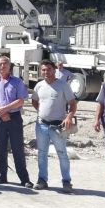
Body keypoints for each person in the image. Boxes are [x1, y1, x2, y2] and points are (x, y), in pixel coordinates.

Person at [0, 56, 33, 188]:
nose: (2, 66)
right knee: (0, 148)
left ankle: (24, 179)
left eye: (5, 63)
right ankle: (2, 176)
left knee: (17, 149)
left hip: (14, 118)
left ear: (9, 65)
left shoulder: (17, 82)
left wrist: (5, 109)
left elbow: (21, 100)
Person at [32, 59, 77, 194]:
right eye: (43, 70)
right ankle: (42, 180)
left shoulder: (63, 85)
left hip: (58, 126)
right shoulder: (39, 86)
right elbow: (34, 101)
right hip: (41, 125)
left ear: (54, 70)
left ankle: (66, 181)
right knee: (42, 153)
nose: (46, 72)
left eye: (49, 69)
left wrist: (68, 117)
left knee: (62, 153)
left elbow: (73, 104)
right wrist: (41, 111)